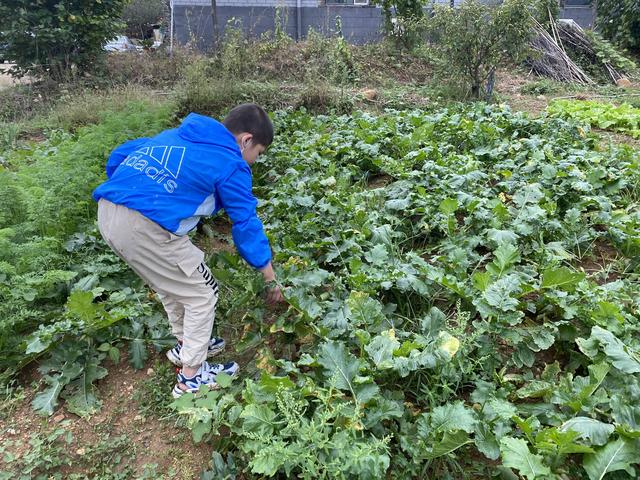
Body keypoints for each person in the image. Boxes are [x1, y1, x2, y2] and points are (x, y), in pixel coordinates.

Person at [93, 103, 283, 398]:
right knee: (202, 293)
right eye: (258, 154)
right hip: (146, 226)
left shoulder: (180, 135)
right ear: (246, 140)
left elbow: (122, 153)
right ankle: (191, 377)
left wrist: (132, 189)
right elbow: (246, 222)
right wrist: (269, 276)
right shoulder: (231, 163)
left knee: (172, 285)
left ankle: (187, 345)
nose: (254, 162)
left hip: (108, 212)